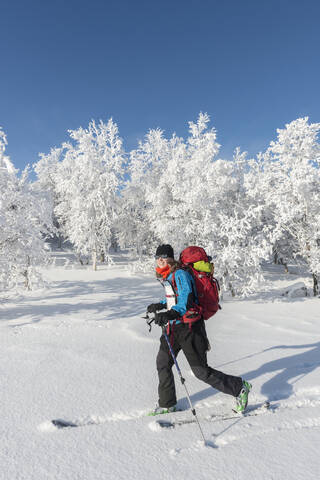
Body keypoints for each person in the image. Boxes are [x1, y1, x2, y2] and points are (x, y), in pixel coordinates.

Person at [147, 244, 251, 415]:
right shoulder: (168, 275)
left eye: (164, 257)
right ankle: (167, 404)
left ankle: (239, 388)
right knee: (163, 363)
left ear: (171, 259)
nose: (160, 260)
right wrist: (160, 305)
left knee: (201, 371)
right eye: (158, 257)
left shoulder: (180, 274)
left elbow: (186, 300)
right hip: (173, 328)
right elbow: (175, 298)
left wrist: (170, 314)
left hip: (190, 328)